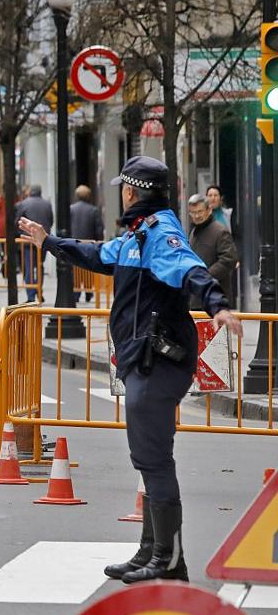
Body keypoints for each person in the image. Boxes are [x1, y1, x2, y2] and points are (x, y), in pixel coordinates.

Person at [19, 156, 242, 584]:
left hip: (160, 360)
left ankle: (169, 558)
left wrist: (217, 305)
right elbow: (99, 255)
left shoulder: (162, 233)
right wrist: (49, 242)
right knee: (146, 457)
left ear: (130, 191)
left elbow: (191, 270)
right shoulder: (138, 235)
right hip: (143, 360)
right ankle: (149, 552)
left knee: (154, 459)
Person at [187, 193, 238, 308]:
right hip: (196, 297)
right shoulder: (193, 232)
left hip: (214, 298)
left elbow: (229, 259)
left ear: (209, 210)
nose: (196, 216)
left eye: (199, 212)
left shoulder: (220, 231)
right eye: (193, 213)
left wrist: (205, 276)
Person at [14, 184, 53, 302]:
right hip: (43, 240)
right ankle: (39, 290)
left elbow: (17, 221)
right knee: (40, 266)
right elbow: (51, 220)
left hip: (28, 241)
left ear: (30, 192)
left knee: (29, 268)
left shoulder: (24, 204)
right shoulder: (47, 204)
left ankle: (31, 295)